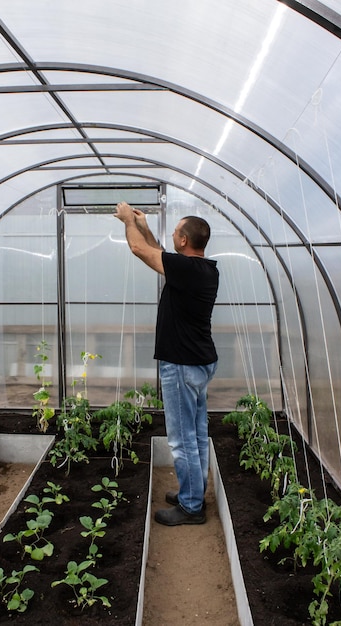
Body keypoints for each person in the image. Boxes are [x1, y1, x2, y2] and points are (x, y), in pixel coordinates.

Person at [114, 201, 218, 526]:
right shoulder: (202, 269)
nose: (172, 234)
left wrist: (128, 222)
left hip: (182, 365)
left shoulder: (186, 270)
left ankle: (190, 506)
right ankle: (194, 491)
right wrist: (145, 226)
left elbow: (138, 249)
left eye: (175, 232)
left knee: (182, 437)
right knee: (197, 434)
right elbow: (160, 253)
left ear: (185, 241)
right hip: (199, 362)